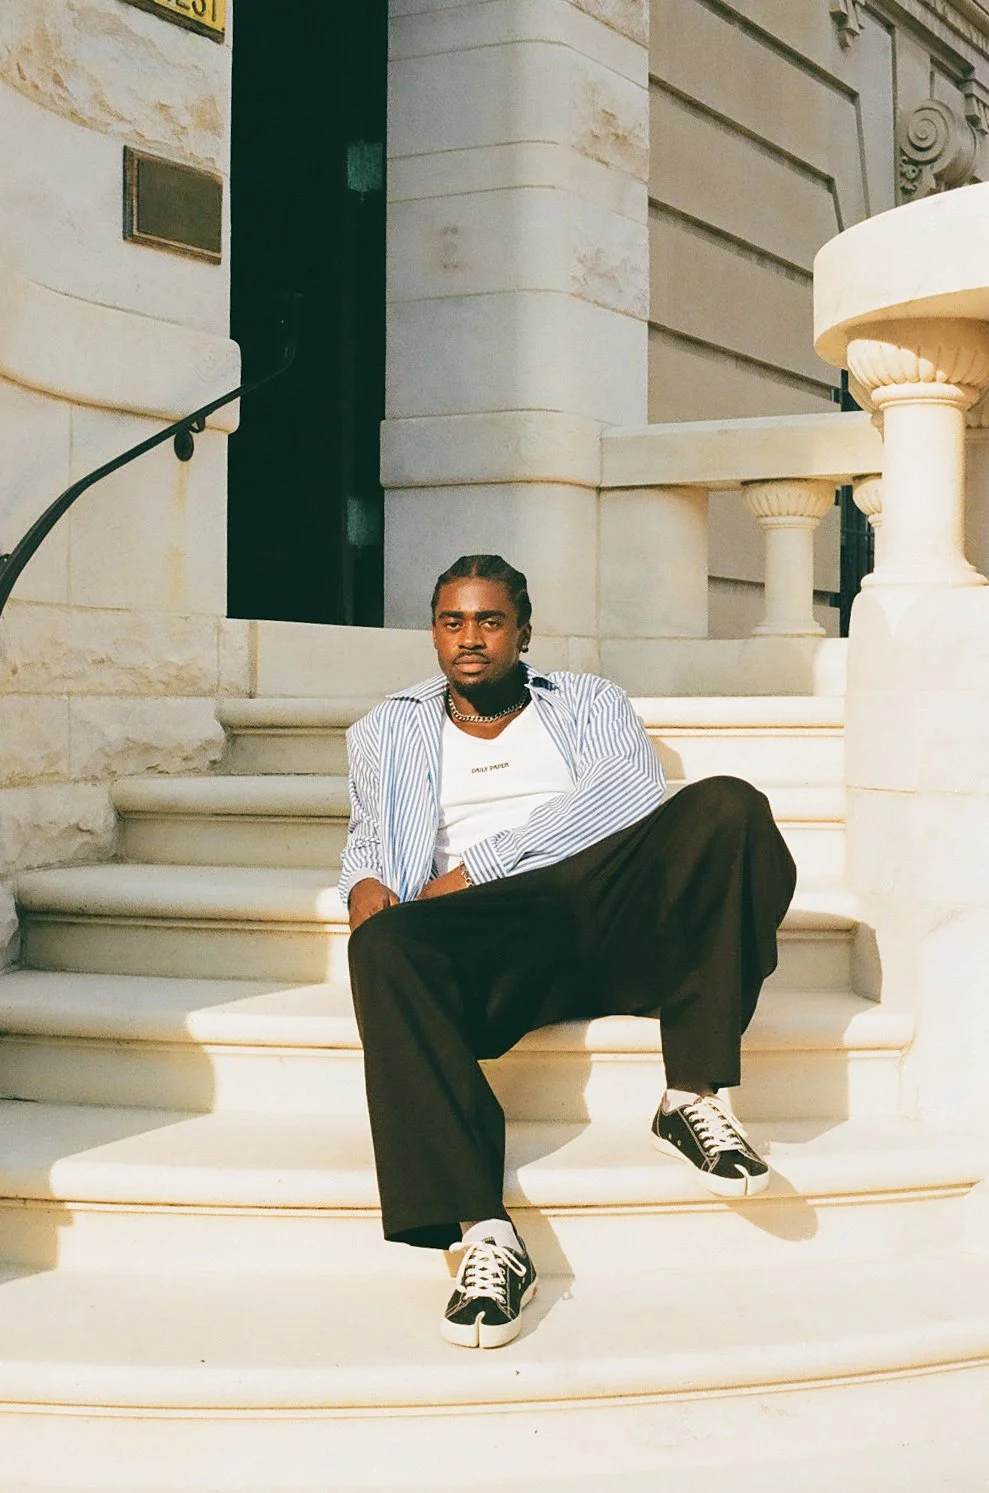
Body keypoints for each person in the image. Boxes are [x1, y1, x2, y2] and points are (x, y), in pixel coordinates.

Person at [343, 554, 796, 1350]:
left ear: (522, 631)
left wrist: (480, 864)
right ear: (433, 632)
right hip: (489, 939)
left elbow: (626, 794)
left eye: (489, 621)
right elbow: (369, 834)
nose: (470, 639)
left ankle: (689, 1094)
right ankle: (482, 1233)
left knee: (728, 805)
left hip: (600, 906)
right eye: (453, 622)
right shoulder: (385, 727)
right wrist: (363, 881)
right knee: (380, 945)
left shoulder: (587, 699)